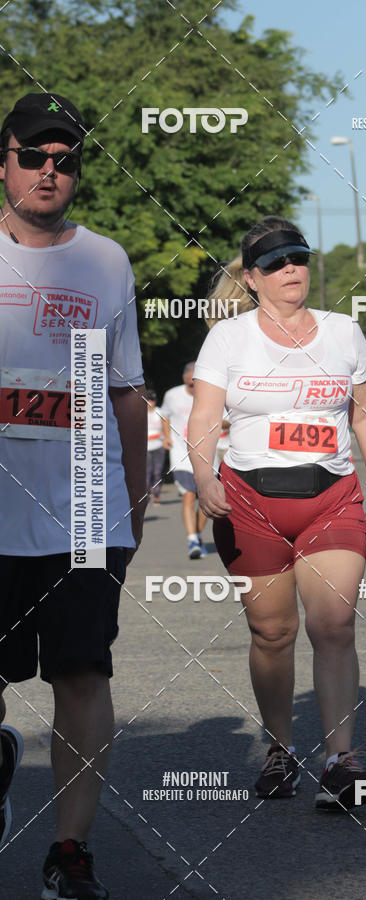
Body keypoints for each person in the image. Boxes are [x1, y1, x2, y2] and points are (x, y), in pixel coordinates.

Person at [188, 216, 366, 810]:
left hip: (332, 498)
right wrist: (204, 476)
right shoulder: (229, 340)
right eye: (275, 264)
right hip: (248, 505)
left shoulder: (342, 332)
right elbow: (203, 420)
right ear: (251, 278)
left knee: (333, 626)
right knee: (273, 633)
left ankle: (340, 760)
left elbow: (365, 413)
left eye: (298, 259)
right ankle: (280, 747)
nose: (290, 271)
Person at [0, 93, 146, 898]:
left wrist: (130, 502)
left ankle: (69, 852)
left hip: (86, 513)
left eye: (66, 159)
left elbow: (126, 390)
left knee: (85, 675)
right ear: (5, 163)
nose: (51, 171)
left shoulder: (106, 261)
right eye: (35, 155)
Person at [161, 364, 209, 558]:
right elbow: (164, 416)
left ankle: (197, 535)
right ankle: (192, 540)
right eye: (189, 384)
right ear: (184, 379)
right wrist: (166, 436)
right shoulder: (172, 395)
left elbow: (226, 420)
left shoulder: (210, 394)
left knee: (206, 503)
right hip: (181, 456)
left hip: (207, 457)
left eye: (195, 384)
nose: (192, 388)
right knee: (189, 495)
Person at [146, 389, 165, 503]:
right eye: (148, 400)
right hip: (146, 447)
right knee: (147, 472)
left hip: (159, 445)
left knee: (157, 472)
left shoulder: (160, 412)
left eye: (152, 400)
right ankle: (147, 494)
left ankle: (156, 494)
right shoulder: (140, 412)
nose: (150, 402)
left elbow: (166, 428)